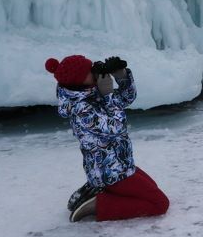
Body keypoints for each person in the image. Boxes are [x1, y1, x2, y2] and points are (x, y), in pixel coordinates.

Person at [45, 54, 170, 222]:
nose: (95, 71)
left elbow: (126, 99)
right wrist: (108, 94)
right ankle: (99, 204)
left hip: (119, 164)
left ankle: (95, 188)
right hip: (109, 172)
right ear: (80, 80)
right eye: (90, 70)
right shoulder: (81, 109)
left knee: (152, 188)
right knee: (159, 204)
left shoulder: (90, 92)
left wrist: (122, 76)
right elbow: (116, 127)